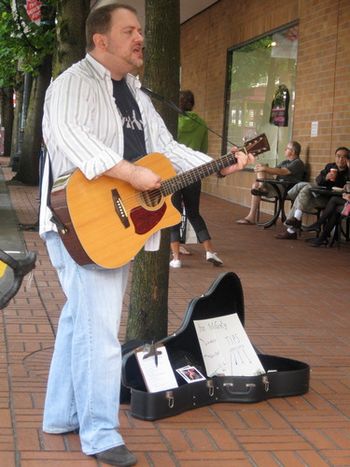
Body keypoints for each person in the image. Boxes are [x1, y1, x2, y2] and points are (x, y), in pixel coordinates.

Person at [38, 4, 253, 467]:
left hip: (114, 227)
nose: (140, 38)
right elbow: (69, 136)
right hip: (80, 220)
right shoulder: (73, 82)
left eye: (140, 30)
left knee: (81, 321)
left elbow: (168, 150)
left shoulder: (135, 93)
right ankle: (99, 434)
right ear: (101, 40)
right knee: (99, 331)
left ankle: (60, 416)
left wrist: (221, 163)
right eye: (129, 31)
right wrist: (130, 174)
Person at [169, 90, 222, 268]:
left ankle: (176, 258)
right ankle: (209, 251)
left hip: (174, 174)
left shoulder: (172, 123)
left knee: (173, 215)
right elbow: (203, 151)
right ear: (193, 104)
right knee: (194, 213)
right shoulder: (202, 124)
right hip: (193, 173)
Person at [275, 146, 350, 240]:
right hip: (321, 197)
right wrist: (326, 178)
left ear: (348, 159)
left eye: (344, 157)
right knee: (304, 194)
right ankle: (295, 222)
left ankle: (292, 229)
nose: (340, 159)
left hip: (332, 201)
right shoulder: (330, 166)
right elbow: (318, 180)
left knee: (305, 190)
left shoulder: (348, 171)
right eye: (338, 156)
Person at [236, 141, 304, 225]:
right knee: (256, 184)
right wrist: (262, 167)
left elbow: (283, 172)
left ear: (293, 152)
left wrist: (264, 168)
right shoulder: (285, 162)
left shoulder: (298, 163)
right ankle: (251, 216)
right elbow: (273, 172)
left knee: (260, 175)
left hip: (287, 189)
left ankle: (262, 188)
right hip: (278, 186)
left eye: (287, 148)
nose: (285, 150)